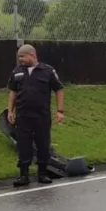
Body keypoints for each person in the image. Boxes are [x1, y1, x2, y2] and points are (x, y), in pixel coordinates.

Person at [7, 44, 65, 187]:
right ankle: (23, 175)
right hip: (23, 115)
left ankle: (42, 173)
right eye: (19, 57)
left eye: (23, 56)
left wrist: (60, 110)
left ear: (32, 55)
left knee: (43, 143)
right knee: (23, 145)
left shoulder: (48, 71)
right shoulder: (17, 72)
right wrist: (10, 110)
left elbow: (59, 89)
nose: (20, 60)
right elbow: (13, 92)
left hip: (41, 115)